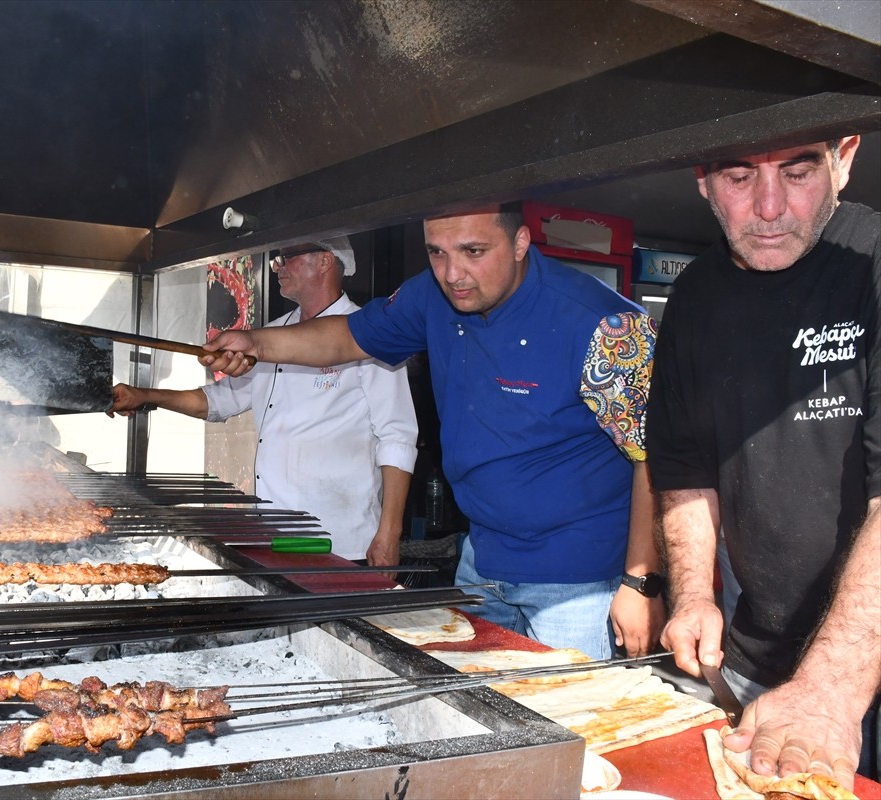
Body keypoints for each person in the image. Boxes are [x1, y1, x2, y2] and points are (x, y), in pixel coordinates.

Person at [202, 205, 664, 659]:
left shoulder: (607, 326)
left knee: (574, 719)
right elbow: (347, 337)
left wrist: (640, 582)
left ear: (521, 242)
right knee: (490, 716)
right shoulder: (432, 297)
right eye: (437, 253)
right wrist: (256, 343)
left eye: (473, 251)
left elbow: (655, 455)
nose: (453, 273)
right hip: (482, 556)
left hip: (578, 577)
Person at [647, 134, 878, 790]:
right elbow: (685, 471)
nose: (771, 207)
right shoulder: (692, 301)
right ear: (700, 177)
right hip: (757, 656)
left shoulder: (876, 265)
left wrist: (830, 687)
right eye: (740, 178)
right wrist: (692, 596)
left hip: (859, 664)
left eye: (798, 173)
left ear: (846, 157)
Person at [109, 238, 418, 565]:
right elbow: (218, 401)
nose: (276, 266)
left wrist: (389, 533)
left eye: (287, 257)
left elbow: (397, 436)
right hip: (273, 532)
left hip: (338, 540)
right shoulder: (272, 336)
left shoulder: (371, 335)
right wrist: (143, 395)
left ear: (326, 261)